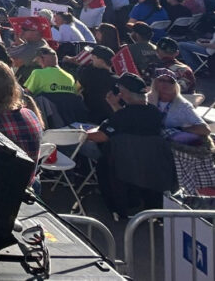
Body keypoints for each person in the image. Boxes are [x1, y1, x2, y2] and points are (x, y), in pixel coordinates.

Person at [87, 73, 168, 219]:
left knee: (88, 149)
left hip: (120, 166)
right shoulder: (155, 113)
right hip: (149, 164)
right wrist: (114, 105)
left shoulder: (121, 117)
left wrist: (80, 134)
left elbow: (102, 137)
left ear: (123, 93)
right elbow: (130, 123)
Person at [147, 69, 209, 142]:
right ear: (155, 83)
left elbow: (205, 129)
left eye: (171, 81)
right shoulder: (145, 100)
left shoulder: (183, 105)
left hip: (169, 143)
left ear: (175, 85)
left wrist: (180, 129)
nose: (166, 84)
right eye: (162, 80)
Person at [75, 45, 119, 124]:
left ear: (101, 60)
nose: (91, 58)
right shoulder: (117, 80)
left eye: (94, 56)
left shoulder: (87, 74)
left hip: (89, 119)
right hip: (111, 121)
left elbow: (76, 90)